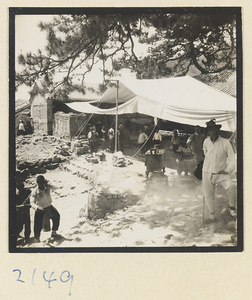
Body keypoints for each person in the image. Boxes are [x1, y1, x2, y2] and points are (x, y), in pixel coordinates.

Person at [202, 119, 237, 222]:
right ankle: (212, 214)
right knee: (208, 193)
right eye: (210, 130)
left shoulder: (225, 143)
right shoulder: (206, 141)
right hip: (207, 171)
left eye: (214, 129)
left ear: (218, 130)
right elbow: (205, 153)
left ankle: (232, 210)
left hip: (221, 173)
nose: (212, 131)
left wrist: (227, 170)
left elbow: (231, 159)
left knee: (232, 186)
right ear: (208, 132)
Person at [30, 175, 60, 241]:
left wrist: (48, 183)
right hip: (40, 208)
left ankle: (54, 232)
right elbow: (31, 202)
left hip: (49, 206)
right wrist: (37, 207)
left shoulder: (47, 187)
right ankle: (37, 238)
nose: (41, 184)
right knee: (37, 224)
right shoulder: (35, 191)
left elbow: (56, 187)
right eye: (39, 183)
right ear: (37, 183)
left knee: (56, 216)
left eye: (42, 182)